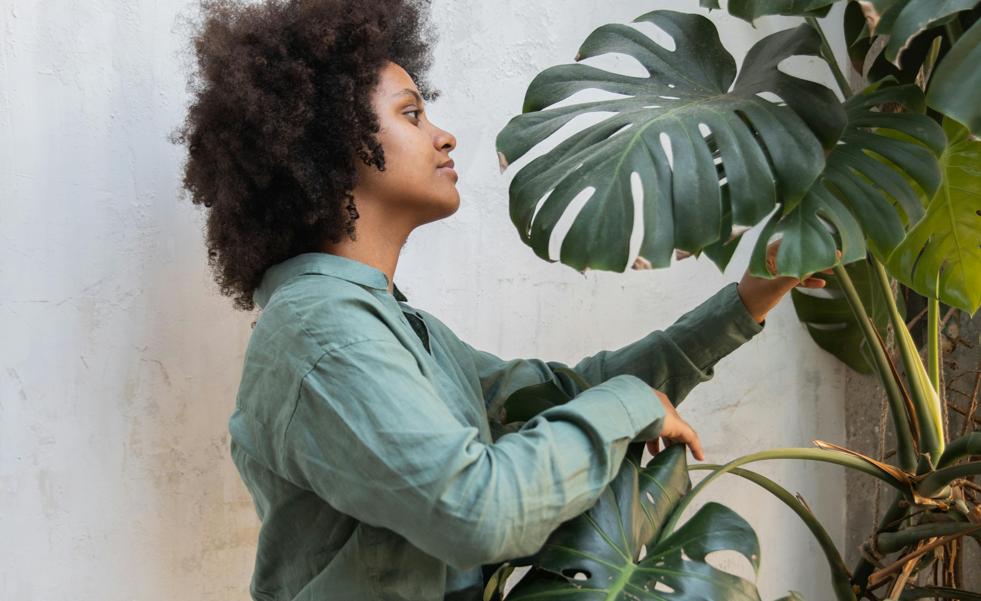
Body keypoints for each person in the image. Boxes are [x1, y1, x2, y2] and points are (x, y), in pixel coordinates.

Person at [171, 1, 833, 599]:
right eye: (411, 113)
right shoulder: (322, 335)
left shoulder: (389, 325)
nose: (443, 134)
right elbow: (476, 510)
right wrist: (627, 408)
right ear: (333, 148)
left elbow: (561, 391)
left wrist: (748, 297)